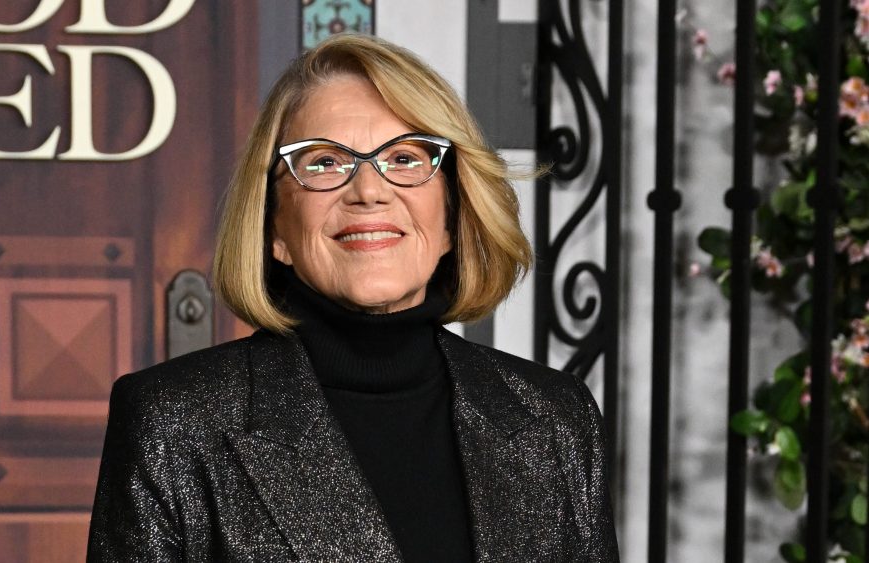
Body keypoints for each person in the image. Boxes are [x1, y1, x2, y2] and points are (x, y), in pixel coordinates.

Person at [87, 33, 619, 562]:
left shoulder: (555, 418)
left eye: (406, 158)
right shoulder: (173, 423)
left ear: (455, 214)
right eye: (324, 162)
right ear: (275, 227)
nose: (369, 190)